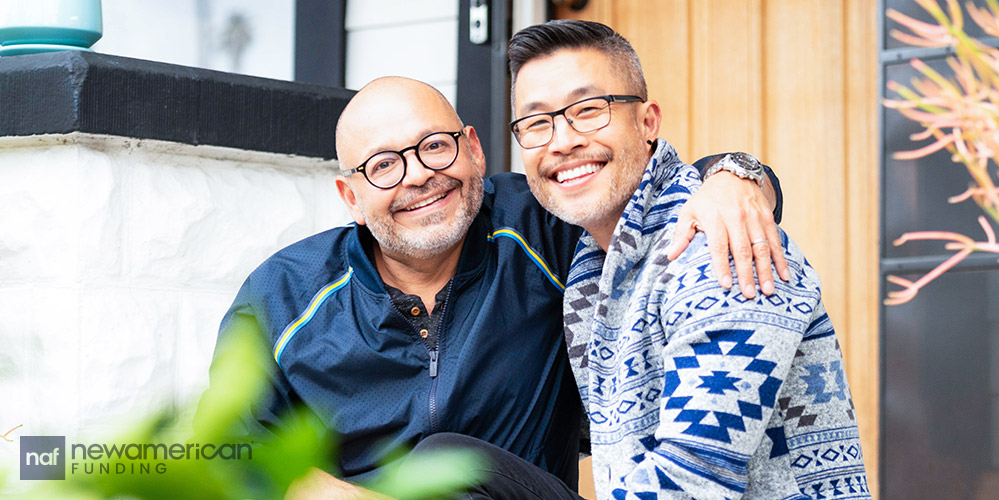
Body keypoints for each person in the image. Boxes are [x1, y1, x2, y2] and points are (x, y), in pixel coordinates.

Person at [204, 74, 787, 499]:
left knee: (450, 458)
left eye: (435, 145)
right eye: (384, 165)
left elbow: (656, 195)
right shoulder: (282, 296)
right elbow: (227, 452)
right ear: (351, 197)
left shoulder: (545, 228)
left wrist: (736, 179)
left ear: (474, 149)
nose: (420, 175)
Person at [507, 20, 870, 499]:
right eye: (536, 122)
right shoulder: (592, 265)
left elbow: (694, 478)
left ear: (647, 121)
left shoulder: (719, 243)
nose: (561, 140)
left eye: (589, 110)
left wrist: (740, 174)